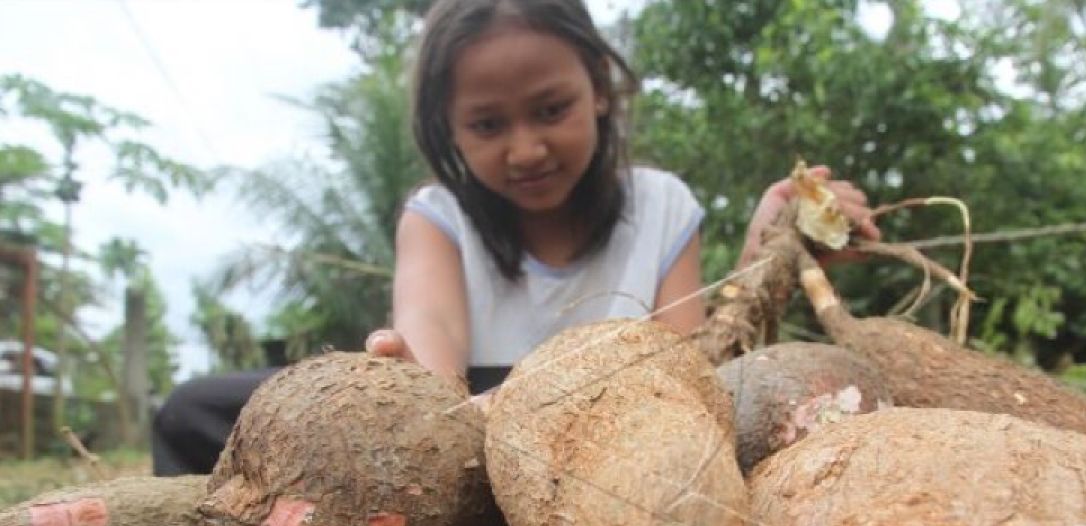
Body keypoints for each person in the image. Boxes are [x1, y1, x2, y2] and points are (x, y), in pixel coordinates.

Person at [152, 0, 879, 477]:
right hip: (472, 422)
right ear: (449, 129)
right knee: (193, 413)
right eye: (489, 125)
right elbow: (437, 386)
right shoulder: (437, 218)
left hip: (614, 441)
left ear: (599, 88)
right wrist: (400, 388)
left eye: (551, 109)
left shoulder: (663, 205)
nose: (525, 149)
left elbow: (693, 372)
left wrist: (765, 256)